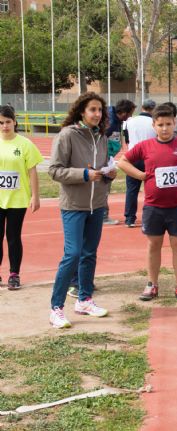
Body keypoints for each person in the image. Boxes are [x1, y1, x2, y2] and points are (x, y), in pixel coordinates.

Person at [117, 104, 177, 302]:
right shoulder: (145, 146)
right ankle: (152, 284)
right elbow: (123, 162)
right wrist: (142, 175)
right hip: (154, 206)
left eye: (168, 124)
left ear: (174, 123)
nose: (164, 128)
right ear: (154, 125)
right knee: (154, 245)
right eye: (160, 125)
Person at [48, 92, 117, 329]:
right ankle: (56, 308)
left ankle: (85, 299)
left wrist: (108, 174)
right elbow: (55, 170)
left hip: (96, 205)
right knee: (73, 253)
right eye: (92, 110)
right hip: (74, 205)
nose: (97, 114)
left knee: (89, 253)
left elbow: (101, 169)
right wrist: (84, 174)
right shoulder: (68, 135)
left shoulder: (102, 137)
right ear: (81, 112)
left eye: (100, 110)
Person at [0, 105, 43, 290]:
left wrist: (35, 196)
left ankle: (14, 274)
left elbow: (32, 171)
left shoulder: (25, 144)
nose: (4, 126)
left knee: (13, 236)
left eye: (8, 122)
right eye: (1, 123)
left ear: (15, 122)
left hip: (18, 199)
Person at [122, 99, 157, 228]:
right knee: (152, 189)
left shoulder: (130, 121)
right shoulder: (154, 123)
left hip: (133, 157)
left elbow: (127, 139)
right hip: (150, 157)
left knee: (132, 189)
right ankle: (151, 217)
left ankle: (129, 218)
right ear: (153, 109)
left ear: (142, 107)